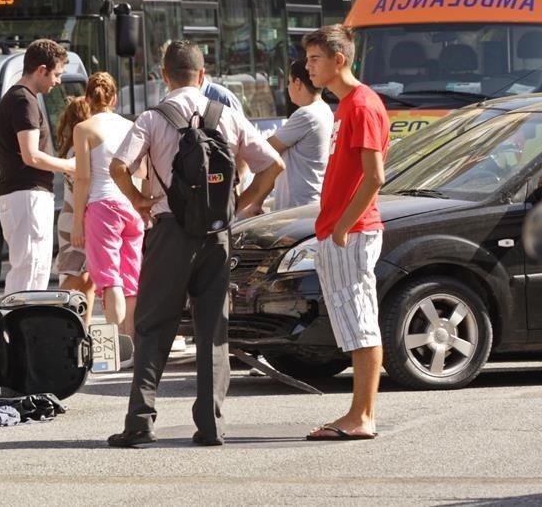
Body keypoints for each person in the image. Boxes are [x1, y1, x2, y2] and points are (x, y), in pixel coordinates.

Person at [107, 40, 283, 448]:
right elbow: (273, 164)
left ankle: (140, 422)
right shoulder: (228, 116)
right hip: (216, 234)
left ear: (163, 75)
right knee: (212, 329)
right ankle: (211, 424)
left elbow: (119, 166)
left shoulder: (152, 118)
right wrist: (244, 203)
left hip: (169, 231)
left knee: (153, 326)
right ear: (203, 76)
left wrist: (138, 200)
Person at [303, 25, 389, 442]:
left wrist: (340, 227)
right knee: (355, 321)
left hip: (352, 231)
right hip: (343, 229)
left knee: (360, 323)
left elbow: (375, 176)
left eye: (315, 59)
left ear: (340, 59)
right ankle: (359, 414)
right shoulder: (348, 106)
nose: (308, 67)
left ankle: (362, 416)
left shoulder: (362, 105)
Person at [0, 39, 76, 294]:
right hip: (26, 194)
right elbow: (31, 155)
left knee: (34, 271)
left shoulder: (20, 98)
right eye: (57, 74)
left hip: (25, 194)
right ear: (42, 69)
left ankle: (25, 330)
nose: (58, 81)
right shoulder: (23, 100)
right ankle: (17, 331)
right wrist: (70, 166)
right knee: (29, 272)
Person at [71, 72, 142, 343]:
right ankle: (132, 341)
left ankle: (117, 345)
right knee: (130, 277)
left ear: (87, 99)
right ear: (114, 98)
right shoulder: (130, 126)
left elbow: (83, 178)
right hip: (131, 206)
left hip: (102, 205)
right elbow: (142, 170)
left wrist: (78, 220)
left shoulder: (84, 129)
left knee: (110, 277)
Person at [259, 58, 333, 214]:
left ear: (298, 82)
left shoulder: (306, 114)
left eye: (288, 82)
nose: (287, 88)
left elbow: (267, 148)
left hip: (298, 208)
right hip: (309, 202)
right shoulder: (324, 110)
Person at [53, 96, 93, 325]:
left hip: (74, 216)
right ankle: (49, 314)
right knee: (75, 278)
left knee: (87, 281)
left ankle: (84, 330)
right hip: (75, 219)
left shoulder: (72, 147)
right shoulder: (77, 151)